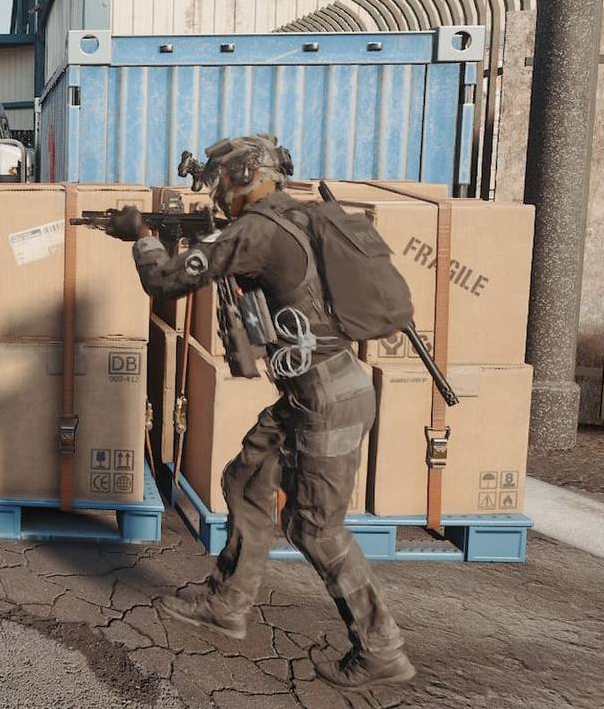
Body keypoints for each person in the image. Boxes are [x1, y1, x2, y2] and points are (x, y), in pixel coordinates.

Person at [113, 134, 414, 691]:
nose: (219, 195)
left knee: (314, 527)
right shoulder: (298, 218)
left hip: (326, 399)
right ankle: (228, 602)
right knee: (248, 480)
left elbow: (165, 283)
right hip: (315, 392)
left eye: (223, 182)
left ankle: (380, 648)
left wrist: (143, 239)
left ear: (246, 175)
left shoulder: (256, 231)